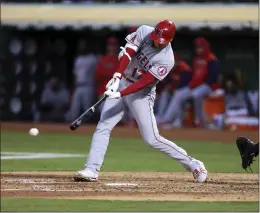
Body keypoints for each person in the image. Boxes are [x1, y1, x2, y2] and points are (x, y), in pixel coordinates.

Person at [75, 20, 208, 183]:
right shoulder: (145, 31)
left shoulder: (167, 59)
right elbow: (128, 52)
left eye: (160, 42)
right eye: (155, 38)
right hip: (124, 81)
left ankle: (193, 164)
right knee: (103, 126)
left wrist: (120, 94)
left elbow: (144, 82)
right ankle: (91, 169)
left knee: (152, 139)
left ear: (170, 40)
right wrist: (117, 77)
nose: (155, 43)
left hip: (141, 94)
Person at [159, 37, 220, 128]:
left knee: (196, 94)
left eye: (201, 47)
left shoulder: (212, 59)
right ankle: (171, 120)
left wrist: (198, 86)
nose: (199, 50)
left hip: (208, 86)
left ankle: (199, 120)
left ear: (205, 47)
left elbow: (213, 77)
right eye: (197, 47)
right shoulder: (196, 59)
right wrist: (192, 85)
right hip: (195, 86)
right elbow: (194, 76)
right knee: (179, 94)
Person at [156, 53, 192, 128]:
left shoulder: (184, 68)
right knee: (164, 93)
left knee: (177, 94)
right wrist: (169, 87)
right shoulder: (170, 68)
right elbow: (167, 81)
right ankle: (160, 117)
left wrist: (173, 88)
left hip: (188, 89)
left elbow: (185, 83)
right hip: (177, 90)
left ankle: (167, 119)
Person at [67, 39, 97, 121]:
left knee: (87, 109)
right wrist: (73, 88)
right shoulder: (78, 59)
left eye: (84, 45)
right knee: (74, 110)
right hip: (78, 86)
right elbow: (75, 75)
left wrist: (95, 89)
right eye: (81, 45)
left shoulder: (92, 58)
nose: (82, 47)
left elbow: (96, 74)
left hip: (88, 86)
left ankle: (88, 129)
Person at [95, 36, 120, 112]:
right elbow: (97, 76)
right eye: (110, 45)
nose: (111, 47)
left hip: (115, 92)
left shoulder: (119, 59)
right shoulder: (102, 59)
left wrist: (107, 72)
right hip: (103, 91)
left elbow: (119, 76)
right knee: (104, 115)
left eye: (113, 45)